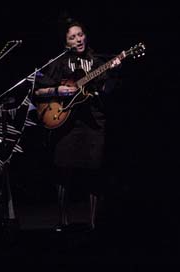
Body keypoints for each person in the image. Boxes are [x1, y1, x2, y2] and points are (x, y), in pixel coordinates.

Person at [33, 18, 121, 231]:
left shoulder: (97, 61)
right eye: (72, 37)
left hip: (93, 121)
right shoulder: (58, 62)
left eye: (80, 34)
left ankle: (93, 224)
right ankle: (62, 221)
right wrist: (57, 91)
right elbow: (36, 90)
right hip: (66, 122)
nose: (78, 39)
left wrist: (114, 70)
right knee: (63, 169)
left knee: (94, 170)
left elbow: (109, 89)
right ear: (66, 43)